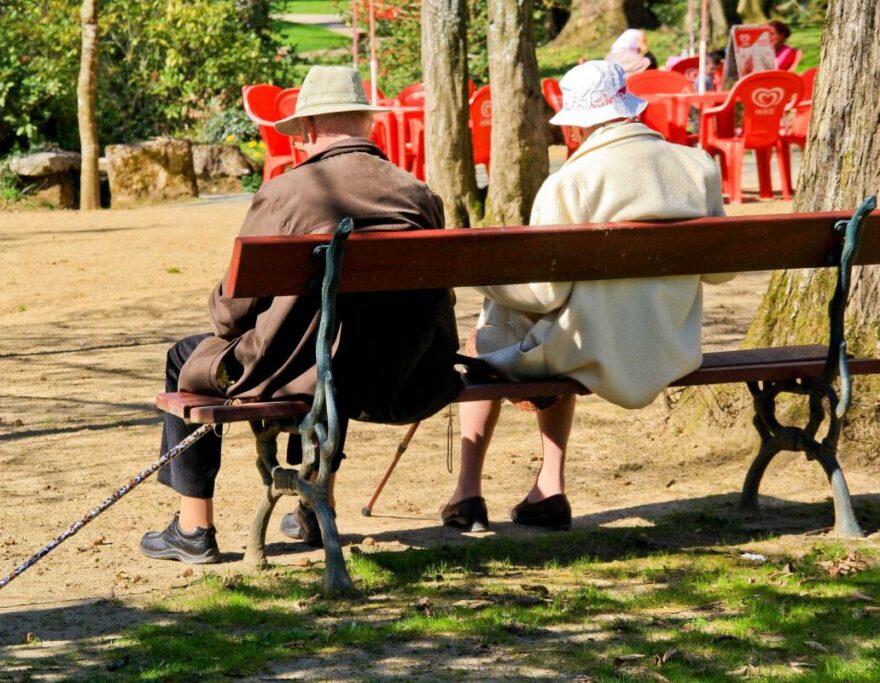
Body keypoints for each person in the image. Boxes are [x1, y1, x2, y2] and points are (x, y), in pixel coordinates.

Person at [141, 66, 462, 564]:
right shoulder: (416, 193)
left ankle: (192, 526)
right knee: (341, 341)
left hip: (312, 374)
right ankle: (316, 508)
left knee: (189, 355)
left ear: (308, 130)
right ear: (367, 125)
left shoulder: (287, 193)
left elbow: (230, 315)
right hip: (400, 375)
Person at [440, 61, 733, 533]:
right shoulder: (696, 163)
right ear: (628, 107)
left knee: (492, 332)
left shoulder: (571, 182)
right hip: (672, 349)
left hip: (590, 352)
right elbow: (723, 271)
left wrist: (486, 278)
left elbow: (541, 294)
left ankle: (468, 492)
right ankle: (547, 489)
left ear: (576, 124)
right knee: (553, 326)